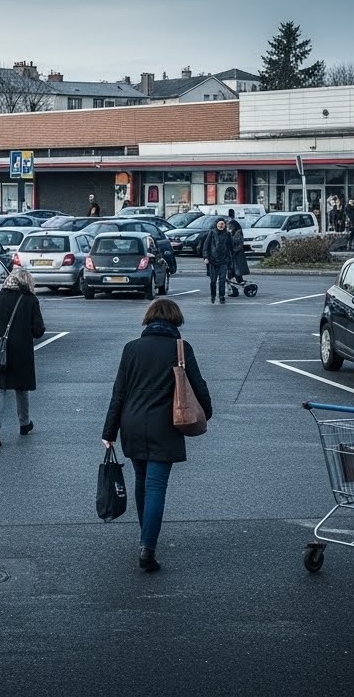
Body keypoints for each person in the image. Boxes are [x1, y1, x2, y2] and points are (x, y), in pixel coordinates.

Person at [101, 299, 212, 573]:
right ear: (175, 321)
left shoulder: (131, 349)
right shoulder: (181, 349)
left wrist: (109, 432)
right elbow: (198, 387)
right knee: (156, 487)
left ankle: (144, 538)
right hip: (166, 426)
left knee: (142, 481)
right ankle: (147, 548)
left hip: (132, 424)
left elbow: (119, 393)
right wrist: (204, 414)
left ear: (148, 320)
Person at [0, 268, 46, 447]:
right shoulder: (30, 300)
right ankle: (24, 423)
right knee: (21, 388)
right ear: (26, 282)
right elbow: (39, 330)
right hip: (21, 353)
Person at [200, 218, 233, 303]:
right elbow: (206, 246)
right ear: (216, 225)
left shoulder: (227, 234)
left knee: (222, 280)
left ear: (225, 225)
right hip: (212, 260)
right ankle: (213, 295)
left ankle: (221, 296)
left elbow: (230, 247)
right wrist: (206, 257)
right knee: (213, 281)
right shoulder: (212, 233)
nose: (221, 225)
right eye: (219, 224)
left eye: (222, 224)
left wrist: (231, 258)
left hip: (223, 260)